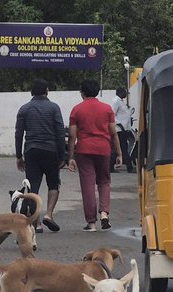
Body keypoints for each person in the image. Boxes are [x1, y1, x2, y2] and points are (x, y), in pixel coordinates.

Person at [68, 79, 122, 231]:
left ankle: (91, 223)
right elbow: (113, 133)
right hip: (103, 149)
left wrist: (70, 157)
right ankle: (104, 214)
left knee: (88, 185)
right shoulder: (107, 109)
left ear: (82, 92)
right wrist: (118, 153)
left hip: (84, 150)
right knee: (104, 181)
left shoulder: (76, 110)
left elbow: (72, 135)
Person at [15, 78, 66, 233]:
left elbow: (19, 134)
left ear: (31, 92)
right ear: (47, 91)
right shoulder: (54, 108)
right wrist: (62, 155)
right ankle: (49, 215)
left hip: (31, 151)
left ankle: (36, 223)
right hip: (50, 151)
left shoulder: (24, 109)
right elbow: (59, 131)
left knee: (32, 187)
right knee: (53, 184)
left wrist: (19, 156)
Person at [110, 85, 134, 172]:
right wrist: (119, 124)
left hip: (124, 129)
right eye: (124, 92)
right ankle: (129, 167)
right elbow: (112, 114)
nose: (126, 94)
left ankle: (111, 166)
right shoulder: (116, 101)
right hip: (119, 129)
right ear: (120, 92)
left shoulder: (120, 101)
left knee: (119, 147)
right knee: (123, 147)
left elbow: (122, 114)